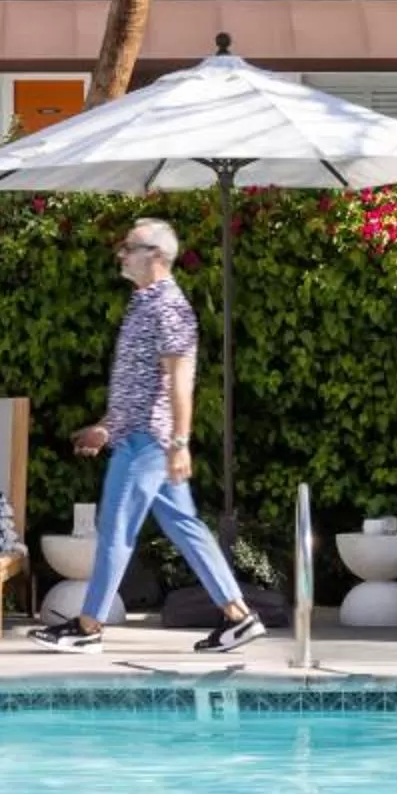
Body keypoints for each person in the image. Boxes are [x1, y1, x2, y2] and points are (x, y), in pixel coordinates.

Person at [32, 216, 263, 653]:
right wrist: (106, 427)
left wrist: (179, 442)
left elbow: (180, 381)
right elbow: (139, 384)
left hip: (150, 442)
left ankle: (88, 627)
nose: (120, 253)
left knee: (115, 527)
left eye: (129, 246)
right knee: (187, 527)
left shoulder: (169, 307)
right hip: (138, 435)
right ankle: (239, 616)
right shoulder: (143, 303)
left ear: (155, 256)